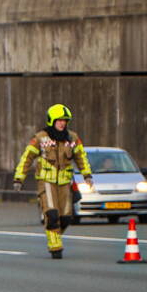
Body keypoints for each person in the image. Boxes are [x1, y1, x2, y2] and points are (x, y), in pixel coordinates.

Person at [12, 103, 93, 259]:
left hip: (65, 183)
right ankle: (55, 247)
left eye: (65, 120)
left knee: (66, 217)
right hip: (46, 182)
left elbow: (81, 157)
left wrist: (87, 175)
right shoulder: (40, 138)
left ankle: (54, 235)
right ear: (52, 120)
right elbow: (27, 158)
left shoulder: (73, 138)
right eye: (59, 120)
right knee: (52, 215)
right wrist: (18, 178)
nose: (63, 123)